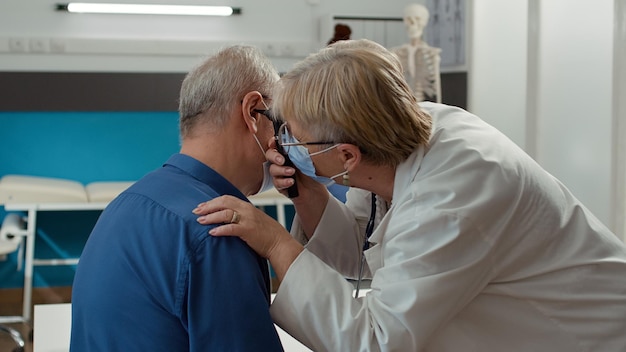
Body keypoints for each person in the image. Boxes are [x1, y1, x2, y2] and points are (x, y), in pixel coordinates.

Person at [193, 39, 626, 351]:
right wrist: (308, 193)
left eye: (296, 140)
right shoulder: (398, 137)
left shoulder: (455, 196)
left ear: (346, 155)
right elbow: (366, 250)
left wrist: (275, 243)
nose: (281, 146)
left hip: (588, 335)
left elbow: (377, 341)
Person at [70, 45, 284, 351]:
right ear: (253, 112)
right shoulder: (219, 229)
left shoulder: (125, 204)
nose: (281, 143)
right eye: (279, 123)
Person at [390, 3, 442, 103]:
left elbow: (436, 90)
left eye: (417, 19)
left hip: (424, 104)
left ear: (424, 22)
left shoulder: (432, 54)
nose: (412, 23)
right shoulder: (396, 52)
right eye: (409, 19)